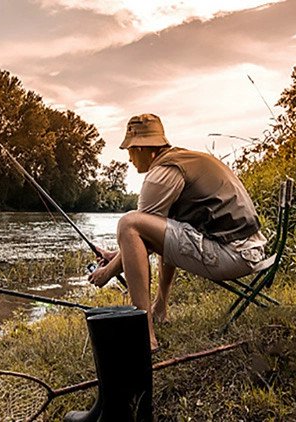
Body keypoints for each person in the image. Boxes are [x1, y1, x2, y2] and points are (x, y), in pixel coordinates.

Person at [88, 113, 267, 352]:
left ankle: (145, 334)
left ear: (142, 147)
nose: (129, 157)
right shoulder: (186, 159)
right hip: (250, 249)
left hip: (232, 255)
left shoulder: (162, 173)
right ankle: (159, 309)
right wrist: (115, 254)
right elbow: (157, 234)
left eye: (130, 149)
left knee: (128, 223)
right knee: (165, 222)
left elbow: (138, 233)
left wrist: (107, 273)